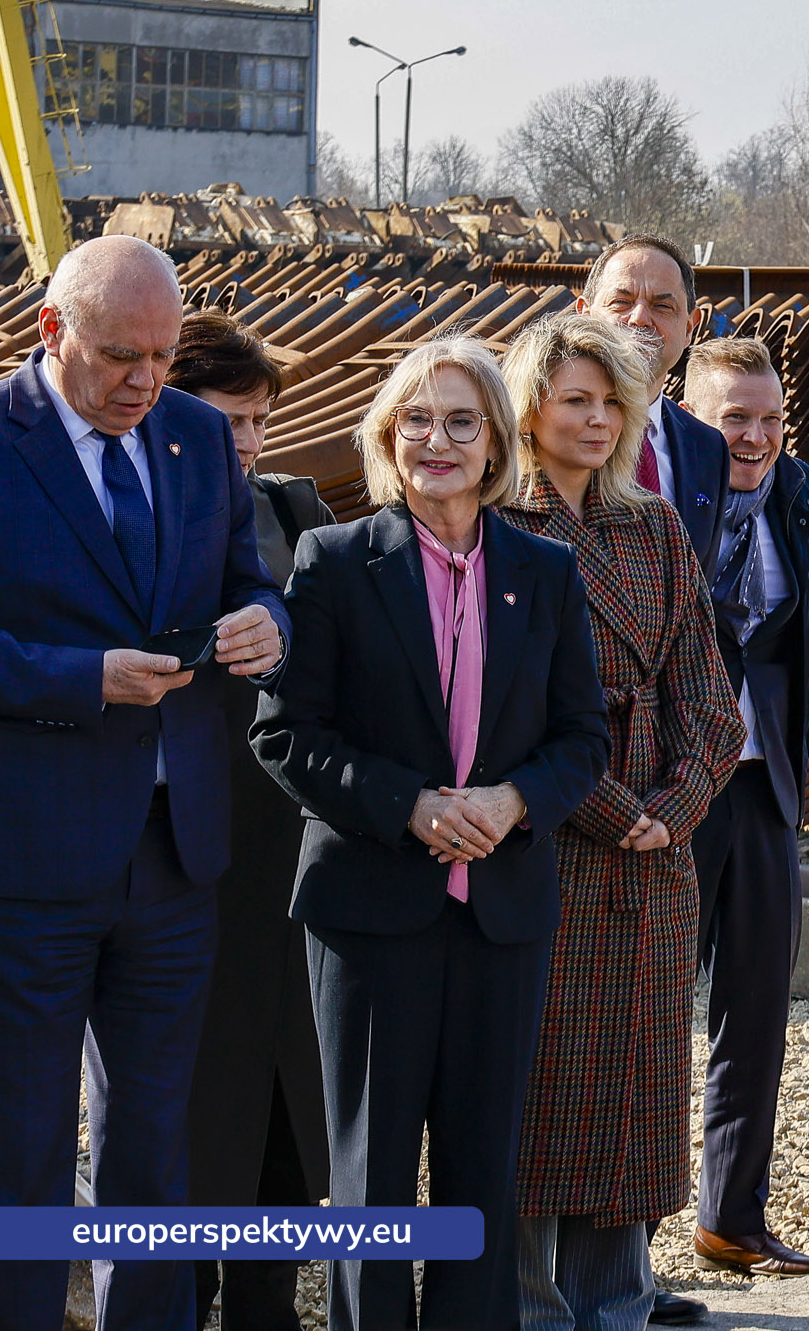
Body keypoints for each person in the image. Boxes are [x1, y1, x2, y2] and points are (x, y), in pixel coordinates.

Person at [251, 337, 610, 1331]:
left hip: (501, 915)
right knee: (367, 1181)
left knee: (480, 1175)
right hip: (369, 915)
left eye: (461, 421)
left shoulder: (543, 571)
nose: (436, 440)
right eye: (416, 419)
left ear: (496, 442)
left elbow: (584, 737)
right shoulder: (333, 562)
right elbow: (284, 733)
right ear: (386, 435)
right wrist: (408, 802)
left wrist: (513, 802)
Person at [0, 235, 287, 1331]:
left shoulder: (199, 436)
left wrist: (267, 625)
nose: (146, 382)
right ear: (51, 331)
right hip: (24, 861)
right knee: (13, 1151)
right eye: (120, 358)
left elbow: (256, 584)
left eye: (160, 357)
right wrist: (82, 679)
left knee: (156, 1147)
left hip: (174, 853)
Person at [500, 313, 744, 1331]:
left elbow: (708, 694)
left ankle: (615, 1305)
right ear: (531, 409)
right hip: (548, 842)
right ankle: (522, 1307)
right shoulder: (496, 522)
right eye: (576, 401)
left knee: (633, 1102)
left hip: (653, 857)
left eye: (614, 403)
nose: (598, 420)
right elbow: (494, 710)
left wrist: (676, 805)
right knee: (532, 1098)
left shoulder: (652, 526)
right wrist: (609, 809)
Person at [171, 311, 333, 1331]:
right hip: (185, 869)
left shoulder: (294, 513)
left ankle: (268, 1307)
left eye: (261, 420)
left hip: (293, 858)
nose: (248, 442)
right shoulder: (140, 519)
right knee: (189, 1124)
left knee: (290, 1120)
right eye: (229, 419)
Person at [678, 337, 809, 1280]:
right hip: (675, 789)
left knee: (756, 1010)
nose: (757, 436)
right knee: (650, 1010)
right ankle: (617, 1242)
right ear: (689, 418)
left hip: (764, 781)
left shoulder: (795, 495)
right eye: (735, 417)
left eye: (771, 419)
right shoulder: (651, 506)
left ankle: (732, 1218)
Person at [576, 234, 727, 576]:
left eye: (662, 306)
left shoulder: (708, 449)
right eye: (621, 301)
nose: (640, 318)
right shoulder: (540, 430)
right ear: (584, 315)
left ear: (690, 327)